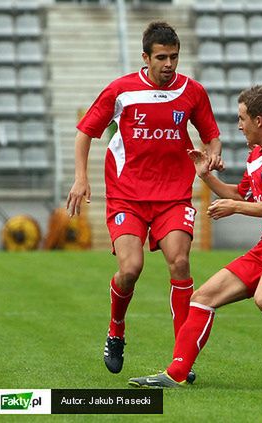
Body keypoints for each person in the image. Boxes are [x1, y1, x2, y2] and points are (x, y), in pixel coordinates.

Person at [128, 85, 262, 394]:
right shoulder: (257, 154)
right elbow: (239, 193)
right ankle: (177, 373)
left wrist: (236, 208)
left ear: (259, 121)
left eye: (242, 119)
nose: (239, 126)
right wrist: (205, 175)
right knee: (202, 297)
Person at [66, 21, 223, 379]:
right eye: (162, 57)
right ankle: (116, 330)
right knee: (130, 269)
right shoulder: (121, 91)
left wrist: (212, 155)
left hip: (174, 194)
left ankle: (181, 360)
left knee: (180, 263)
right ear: (146, 57)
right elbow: (84, 133)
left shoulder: (192, 92)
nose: (169, 64)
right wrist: (80, 178)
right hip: (127, 195)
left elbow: (212, 136)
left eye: (174, 57)